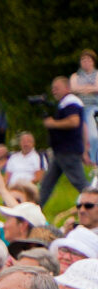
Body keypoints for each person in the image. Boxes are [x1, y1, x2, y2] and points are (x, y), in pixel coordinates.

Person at [38, 77, 90, 209]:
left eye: (57, 88)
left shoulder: (70, 102)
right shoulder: (67, 103)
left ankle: (93, 204)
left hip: (68, 151)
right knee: (46, 184)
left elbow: (74, 122)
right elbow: (83, 125)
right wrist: (85, 146)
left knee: (81, 184)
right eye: (53, 88)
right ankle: (35, 209)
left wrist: (52, 123)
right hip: (61, 151)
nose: (54, 91)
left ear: (67, 88)